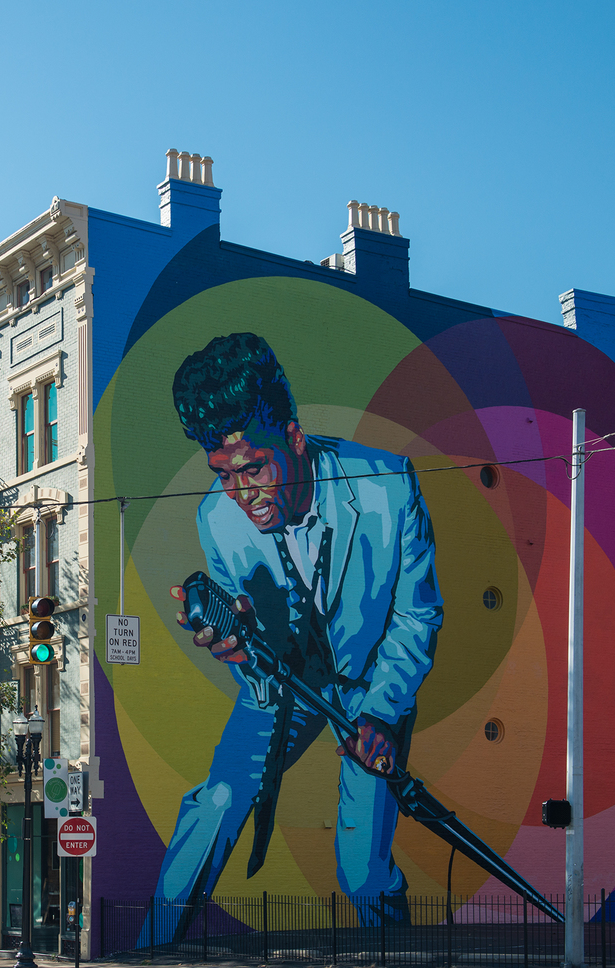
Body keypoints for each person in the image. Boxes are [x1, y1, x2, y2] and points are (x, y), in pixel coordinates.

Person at [151, 332, 443, 935]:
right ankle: (146, 951)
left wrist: (383, 715)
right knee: (217, 804)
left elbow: (417, 616)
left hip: (371, 687)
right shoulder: (217, 518)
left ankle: (394, 951)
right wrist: (240, 649)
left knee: (362, 871)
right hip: (285, 687)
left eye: (254, 467)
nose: (243, 494)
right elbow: (259, 665)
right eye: (224, 475)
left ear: (293, 437)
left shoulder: (389, 486)